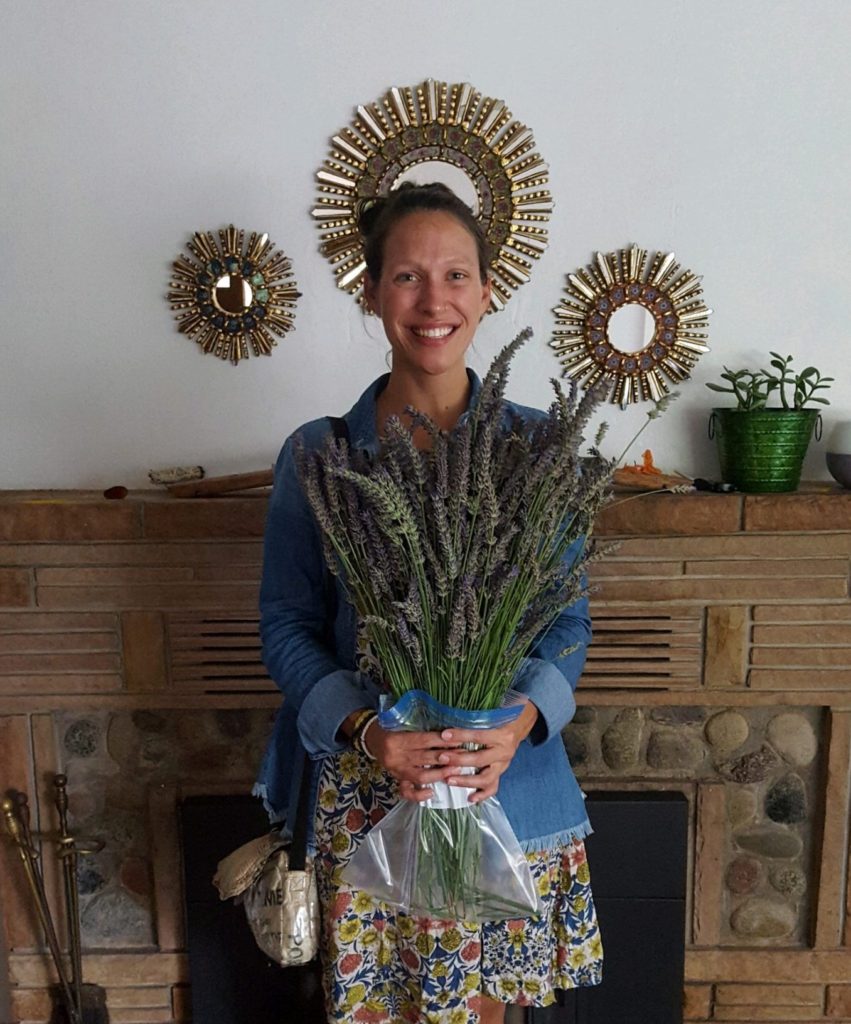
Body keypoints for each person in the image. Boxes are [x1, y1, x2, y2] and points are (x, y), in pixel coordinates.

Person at [256, 182, 603, 1024]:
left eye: (455, 275)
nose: (433, 299)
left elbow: (565, 621)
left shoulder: (539, 448)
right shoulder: (319, 454)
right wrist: (369, 731)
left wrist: (513, 724)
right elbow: (287, 624)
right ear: (372, 290)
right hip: (365, 798)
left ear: (488, 290)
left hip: (502, 791)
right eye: (407, 276)